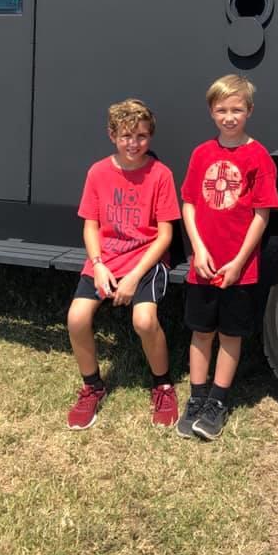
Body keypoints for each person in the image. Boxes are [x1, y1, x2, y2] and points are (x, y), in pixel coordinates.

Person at [66, 98, 181, 430]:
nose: (134, 144)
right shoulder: (98, 172)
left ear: (151, 136)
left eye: (142, 136)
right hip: (106, 259)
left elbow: (164, 235)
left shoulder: (160, 174)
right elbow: (90, 225)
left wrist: (133, 277)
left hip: (145, 260)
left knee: (144, 321)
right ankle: (92, 387)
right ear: (112, 135)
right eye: (127, 136)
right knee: (76, 318)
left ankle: (162, 386)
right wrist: (98, 264)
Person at [177, 74, 278, 440]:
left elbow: (261, 214)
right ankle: (196, 397)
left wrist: (238, 261)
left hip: (240, 269)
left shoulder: (259, 157)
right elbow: (188, 203)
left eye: (237, 109)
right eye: (222, 109)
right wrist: (199, 250)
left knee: (230, 335)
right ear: (211, 112)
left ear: (249, 111)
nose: (229, 116)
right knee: (201, 332)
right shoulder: (201, 153)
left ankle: (217, 401)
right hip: (203, 266)